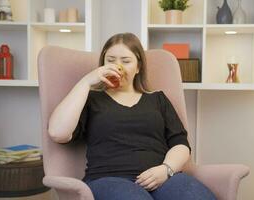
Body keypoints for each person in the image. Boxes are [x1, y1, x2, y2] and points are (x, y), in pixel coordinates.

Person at [48, 32, 216, 200]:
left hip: (162, 178)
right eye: (111, 60)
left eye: (126, 61)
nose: (117, 66)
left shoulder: (157, 99)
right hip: (109, 180)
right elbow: (58, 133)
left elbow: (180, 144)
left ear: (138, 67)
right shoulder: (91, 99)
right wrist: (86, 82)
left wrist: (166, 169)